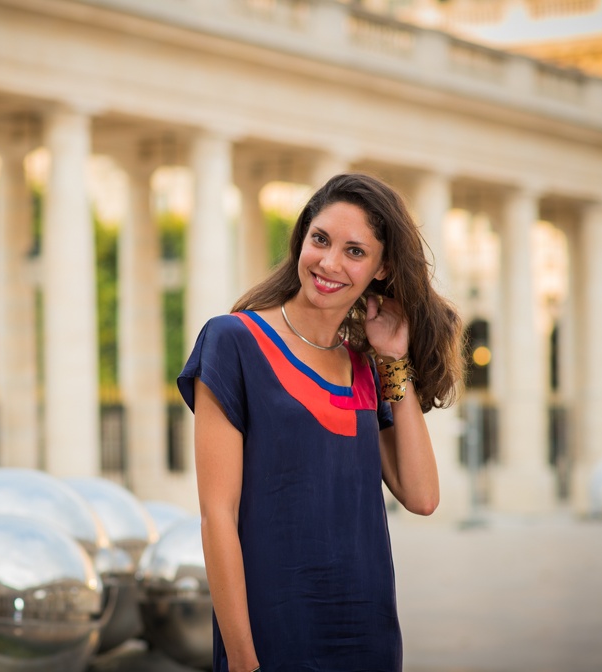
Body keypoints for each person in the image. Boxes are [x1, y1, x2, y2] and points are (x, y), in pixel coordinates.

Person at [177, 172, 464, 672]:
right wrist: (243, 660)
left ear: (381, 268)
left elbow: (421, 495)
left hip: (366, 634)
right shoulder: (234, 342)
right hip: (271, 633)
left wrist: (393, 358)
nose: (329, 263)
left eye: (355, 251)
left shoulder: (364, 367)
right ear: (302, 239)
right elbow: (216, 516)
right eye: (321, 239)